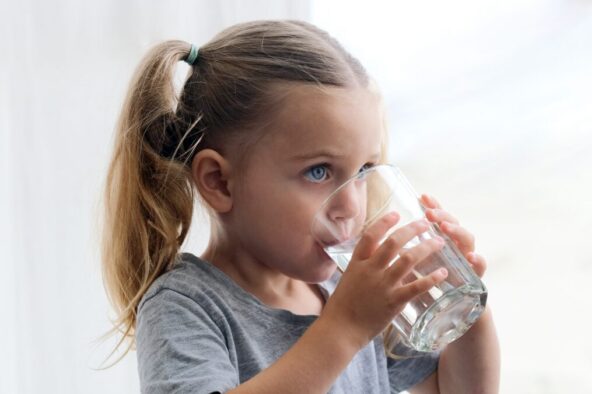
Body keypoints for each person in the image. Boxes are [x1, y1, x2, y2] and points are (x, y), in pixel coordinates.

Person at [101, 20, 500, 394]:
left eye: (364, 169)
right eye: (319, 172)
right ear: (219, 182)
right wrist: (344, 329)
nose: (350, 205)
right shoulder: (185, 306)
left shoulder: (349, 288)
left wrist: (466, 310)